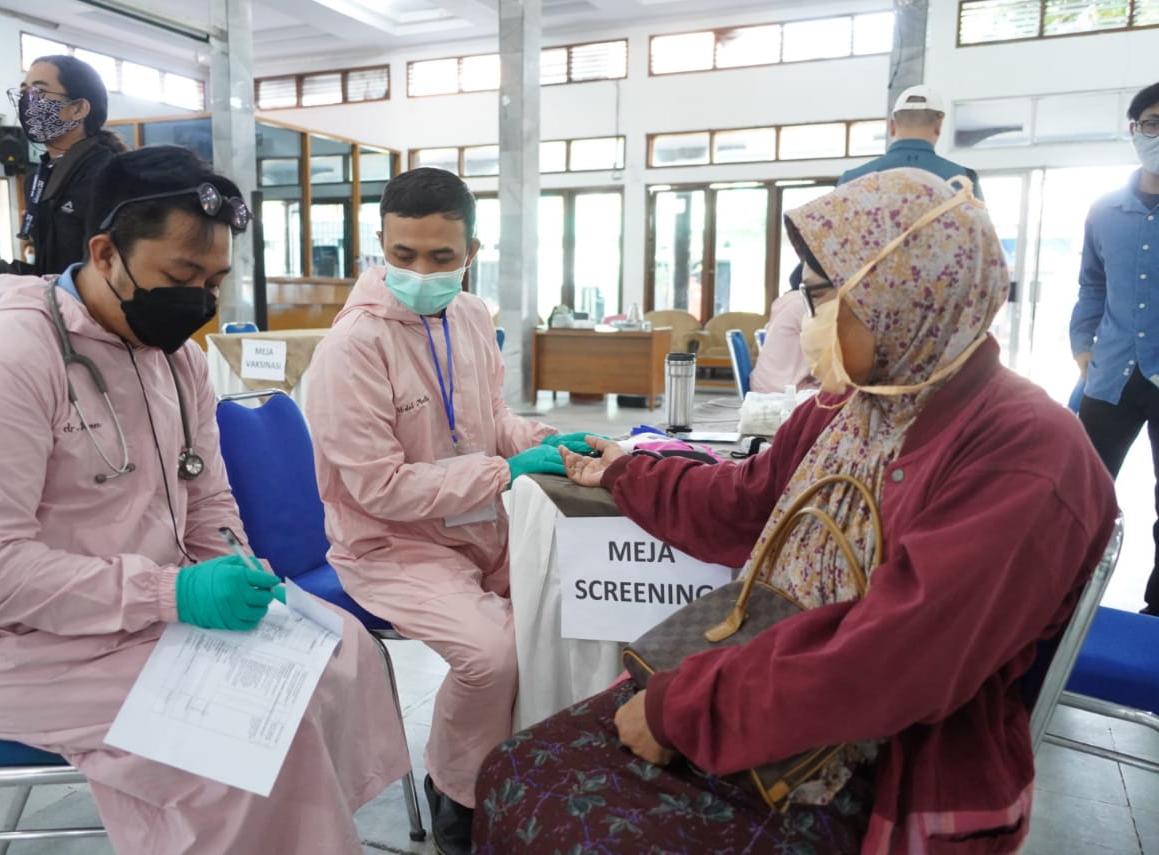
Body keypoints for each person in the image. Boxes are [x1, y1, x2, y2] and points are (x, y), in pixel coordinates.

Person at [472, 169, 1117, 855]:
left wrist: (679, 708)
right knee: (511, 771)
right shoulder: (858, 403)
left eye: (827, 295)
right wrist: (629, 471)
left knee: (568, 826)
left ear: (906, 294)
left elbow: (894, 659)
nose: (812, 320)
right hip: (768, 685)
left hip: (881, 761)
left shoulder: (1024, 450)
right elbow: (741, 500)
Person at [0, 145, 410, 853]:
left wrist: (235, 568)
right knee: (247, 741)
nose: (199, 298)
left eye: (214, 280)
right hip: (16, 647)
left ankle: (306, 830)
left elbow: (208, 495)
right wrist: (174, 595)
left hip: (143, 612)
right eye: (181, 274)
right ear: (106, 252)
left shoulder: (177, 360)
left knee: (339, 645)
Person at [305, 167, 585, 855]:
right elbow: (381, 489)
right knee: (492, 655)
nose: (420, 271)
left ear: (472, 251)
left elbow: (490, 418)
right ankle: (456, 790)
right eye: (403, 256)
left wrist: (545, 444)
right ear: (379, 243)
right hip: (390, 545)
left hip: (480, 526)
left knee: (572, 608)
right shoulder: (352, 346)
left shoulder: (470, 315)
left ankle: (537, 773)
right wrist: (503, 471)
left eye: (441, 257)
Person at [1070, 81, 1159, 617]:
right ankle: (1063, 594)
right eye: (1152, 123)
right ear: (1134, 131)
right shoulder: (1105, 211)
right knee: (1080, 491)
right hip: (1111, 376)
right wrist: (1083, 347)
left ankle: (1156, 617)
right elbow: (1092, 285)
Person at [0, 54, 128, 306]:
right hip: (58, 314)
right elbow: (54, 267)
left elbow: (109, 269)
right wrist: (9, 275)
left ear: (78, 108)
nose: (27, 103)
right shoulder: (39, 177)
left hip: (99, 321)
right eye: (23, 94)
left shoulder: (110, 174)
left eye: (39, 93)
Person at [839, 85, 983, 200]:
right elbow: (979, 232)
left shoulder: (851, 179)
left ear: (892, 126)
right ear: (939, 126)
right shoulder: (964, 179)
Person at [749, 263, 818, 394]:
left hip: (766, 384)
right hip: (783, 389)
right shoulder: (803, 304)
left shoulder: (784, 302)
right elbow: (828, 347)